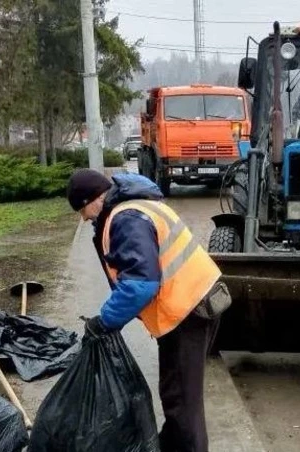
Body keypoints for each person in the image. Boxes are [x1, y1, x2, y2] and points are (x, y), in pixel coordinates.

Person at [66, 169, 223, 452]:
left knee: (184, 402)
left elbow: (140, 284)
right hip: (194, 304)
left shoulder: (125, 219)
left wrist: (105, 321)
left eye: (82, 208)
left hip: (188, 312)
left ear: (95, 199)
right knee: (176, 394)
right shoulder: (136, 206)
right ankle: (170, 445)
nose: (84, 217)